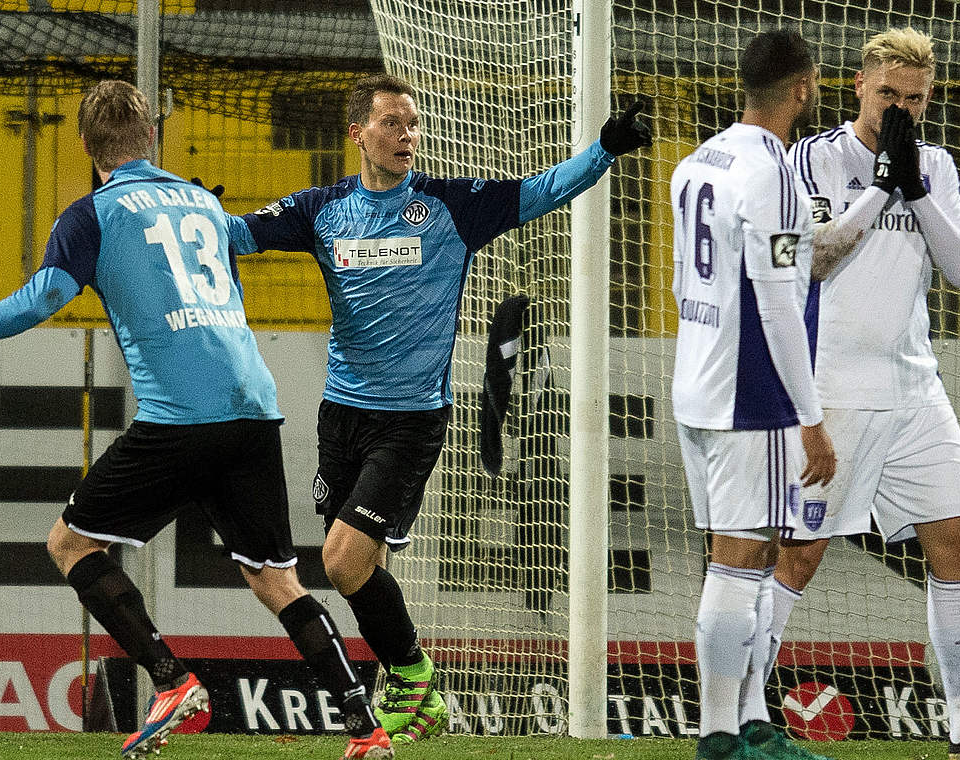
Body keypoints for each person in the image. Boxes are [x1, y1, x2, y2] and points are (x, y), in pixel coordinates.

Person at [0, 80, 393, 760]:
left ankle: (171, 681)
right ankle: (364, 727)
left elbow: (47, 295)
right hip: (254, 406)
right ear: (153, 137)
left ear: (84, 146)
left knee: (71, 545)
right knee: (276, 579)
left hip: (180, 418)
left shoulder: (91, 214)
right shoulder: (204, 203)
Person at [224, 73, 651, 743]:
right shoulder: (323, 209)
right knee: (364, 570)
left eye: (413, 124)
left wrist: (604, 148)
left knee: (341, 561)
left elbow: (540, 191)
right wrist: (188, 217)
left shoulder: (449, 208)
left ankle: (416, 675)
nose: (407, 135)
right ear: (357, 133)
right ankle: (411, 698)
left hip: (411, 421)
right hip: (341, 417)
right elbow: (236, 236)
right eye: (392, 123)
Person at [767, 28, 960, 760]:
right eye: (888, 94)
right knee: (796, 557)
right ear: (858, 86)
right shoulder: (811, 157)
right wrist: (883, 182)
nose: (900, 109)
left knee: (957, 547)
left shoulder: (939, 164)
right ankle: (734, 722)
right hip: (833, 391)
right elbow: (811, 261)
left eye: (914, 99)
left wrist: (914, 185)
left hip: (915, 387)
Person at [670, 29, 837, 760]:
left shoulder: (699, 159)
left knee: (740, 557)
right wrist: (811, 418)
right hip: (750, 394)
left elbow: (684, 280)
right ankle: (716, 736)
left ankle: (749, 721)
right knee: (741, 561)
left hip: (696, 381)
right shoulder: (772, 171)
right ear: (801, 87)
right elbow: (776, 299)